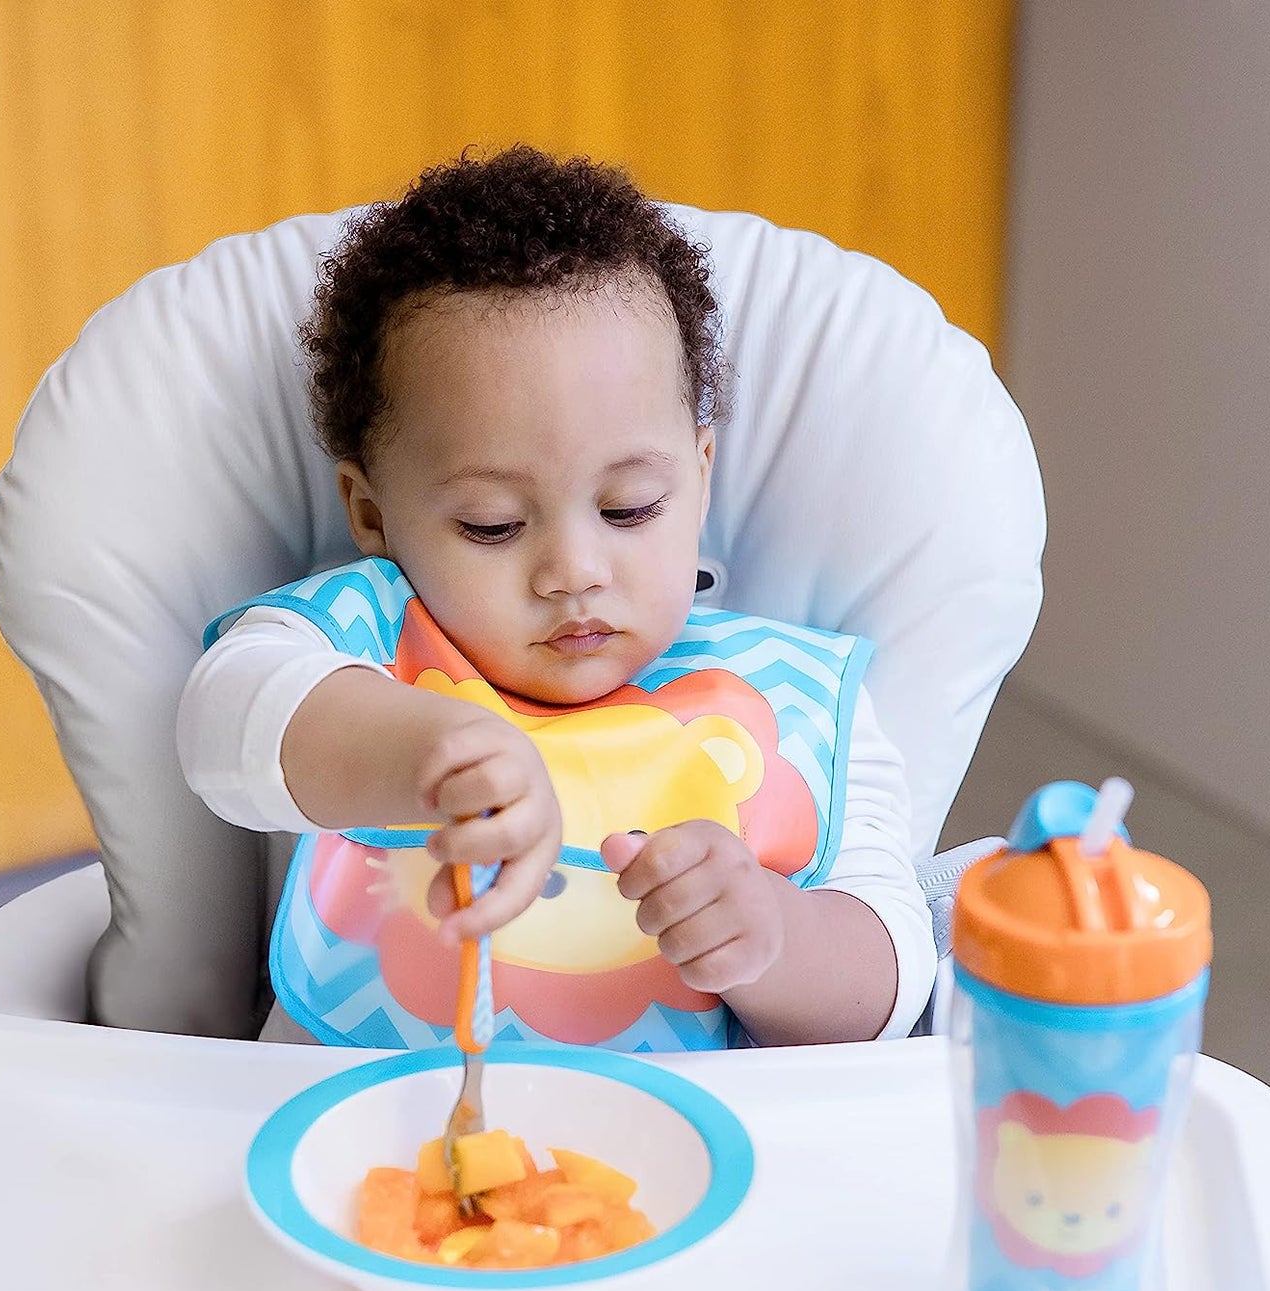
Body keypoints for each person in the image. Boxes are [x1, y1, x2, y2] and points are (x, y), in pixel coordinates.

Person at [177, 145, 936, 1052]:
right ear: (372, 513)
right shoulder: (364, 639)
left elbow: (891, 990)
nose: (574, 569)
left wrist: (773, 937)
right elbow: (220, 724)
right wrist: (431, 749)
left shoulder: (788, 698)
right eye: (493, 524)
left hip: (685, 1171)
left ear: (698, 479)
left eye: (629, 508)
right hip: (349, 1154)